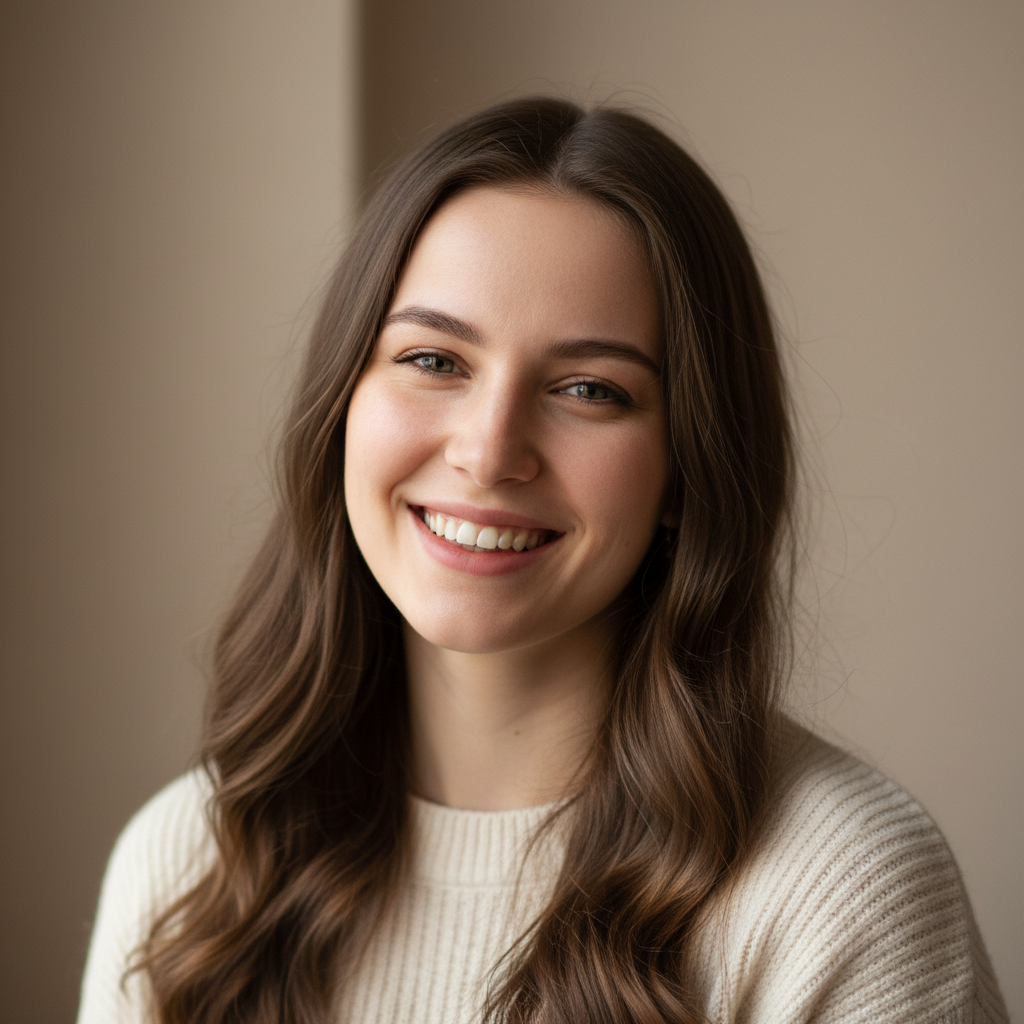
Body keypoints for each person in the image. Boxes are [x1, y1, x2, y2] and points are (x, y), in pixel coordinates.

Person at [76, 96, 1008, 1024]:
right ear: (342, 407)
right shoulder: (187, 868)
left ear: (689, 467)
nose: (488, 452)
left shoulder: (844, 894)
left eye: (590, 389)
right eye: (434, 360)